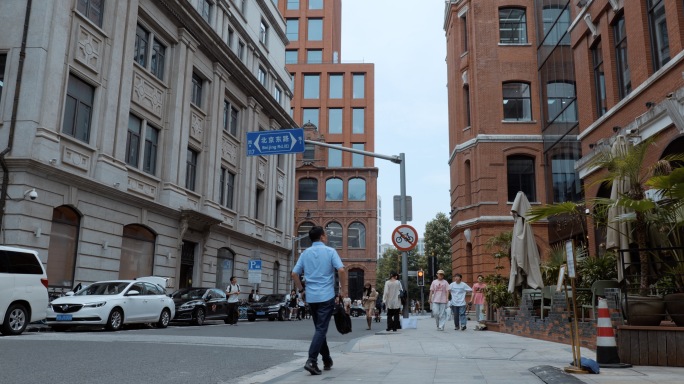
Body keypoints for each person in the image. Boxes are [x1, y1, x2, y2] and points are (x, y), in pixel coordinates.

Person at [292, 226, 346, 376]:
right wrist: (343, 290)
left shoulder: (305, 253)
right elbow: (341, 270)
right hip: (326, 296)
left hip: (311, 297)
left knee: (319, 329)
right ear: (322, 237)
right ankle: (311, 360)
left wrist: (301, 290)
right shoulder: (330, 251)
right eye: (326, 235)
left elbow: (294, 274)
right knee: (321, 329)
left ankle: (327, 359)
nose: (327, 237)